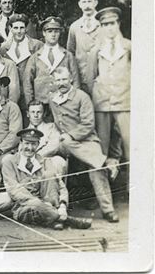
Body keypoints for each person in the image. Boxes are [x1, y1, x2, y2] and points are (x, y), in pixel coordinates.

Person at [49, 66, 119, 222]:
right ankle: (102, 161)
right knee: (53, 151)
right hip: (65, 142)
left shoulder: (82, 97)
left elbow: (88, 125)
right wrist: (64, 137)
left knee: (96, 170)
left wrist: (71, 135)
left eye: (64, 79)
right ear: (54, 82)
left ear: (71, 79)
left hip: (86, 140)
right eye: (58, 80)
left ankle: (108, 210)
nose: (61, 83)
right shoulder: (52, 99)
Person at [2, 128, 92, 230]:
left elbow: (60, 185)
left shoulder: (44, 161)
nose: (30, 148)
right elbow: (14, 190)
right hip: (24, 207)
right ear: (21, 143)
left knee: (49, 174)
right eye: (27, 143)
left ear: (38, 145)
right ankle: (67, 220)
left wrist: (62, 205)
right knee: (34, 205)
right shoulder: (9, 162)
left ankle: (55, 219)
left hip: (48, 203)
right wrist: (40, 204)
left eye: (34, 144)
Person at [90, 7, 131, 165]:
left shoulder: (128, 47)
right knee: (101, 148)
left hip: (124, 103)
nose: (109, 27)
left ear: (118, 23)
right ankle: (103, 188)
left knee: (130, 146)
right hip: (102, 104)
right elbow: (90, 77)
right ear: (101, 27)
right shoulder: (96, 50)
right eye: (105, 24)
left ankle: (132, 187)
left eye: (112, 23)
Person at [23, 16, 80, 108]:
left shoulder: (67, 55)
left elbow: (76, 82)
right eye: (50, 31)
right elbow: (27, 83)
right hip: (41, 106)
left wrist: (73, 103)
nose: (53, 34)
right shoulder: (35, 57)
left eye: (56, 31)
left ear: (60, 33)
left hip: (63, 103)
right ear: (44, 33)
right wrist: (31, 105)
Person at [0, 13, 44, 120]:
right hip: (11, 95)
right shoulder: (3, 48)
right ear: (11, 29)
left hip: (30, 94)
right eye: (15, 28)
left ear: (26, 29)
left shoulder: (37, 46)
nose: (19, 31)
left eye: (22, 28)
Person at [67, 0, 102, 94]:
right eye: (84, 2)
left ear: (95, 3)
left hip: (100, 77)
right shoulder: (74, 26)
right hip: (82, 80)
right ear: (79, 4)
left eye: (89, 1)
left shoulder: (103, 24)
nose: (87, 5)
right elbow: (70, 53)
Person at [25, 100, 67, 175]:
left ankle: (53, 185)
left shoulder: (51, 127)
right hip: (29, 164)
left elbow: (54, 145)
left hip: (47, 160)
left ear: (44, 114)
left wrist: (37, 157)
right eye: (33, 112)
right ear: (28, 114)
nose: (36, 115)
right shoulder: (25, 132)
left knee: (58, 161)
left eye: (39, 112)